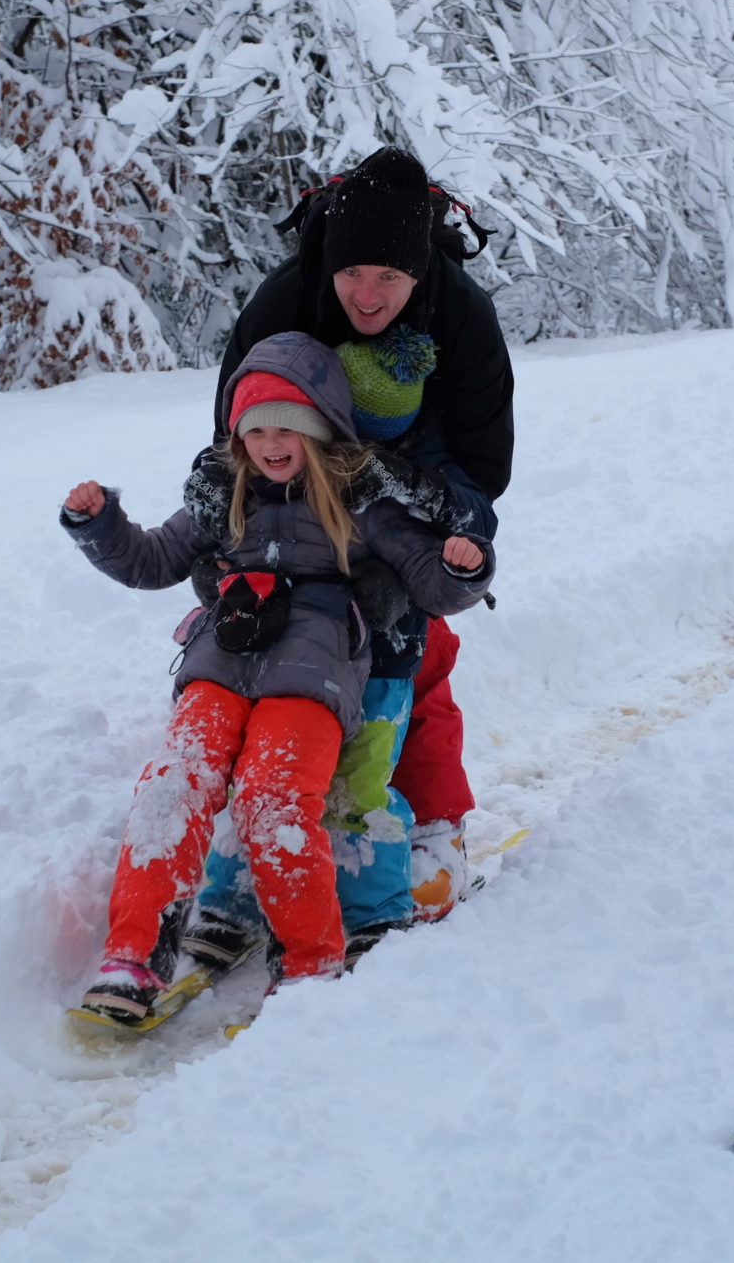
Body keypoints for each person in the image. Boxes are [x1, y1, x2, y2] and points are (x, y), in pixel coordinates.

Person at [61, 332, 495, 1025]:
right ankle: (133, 954)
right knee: (175, 782)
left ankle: (309, 958)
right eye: (256, 427)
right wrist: (99, 524)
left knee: (272, 796)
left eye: (287, 427)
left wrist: (463, 565)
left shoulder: (358, 501)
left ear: (319, 426)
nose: (270, 443)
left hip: (314, 672)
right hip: (221, 660)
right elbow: (150, 560)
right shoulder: (221, 493)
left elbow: (427, 581)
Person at [196, 145, 516, 936]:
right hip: (299, 483)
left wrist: (417, 509)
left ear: (419, 276)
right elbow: (232, 435)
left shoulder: (463, 318)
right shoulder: (286, 300)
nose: (367, 295)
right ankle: (263, 823)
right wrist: (226, 541)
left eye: (390, 278)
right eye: (352, 274)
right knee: (272, 658)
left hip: (419, 482)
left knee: (413, 650)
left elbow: (486, 470)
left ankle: (432, 820)